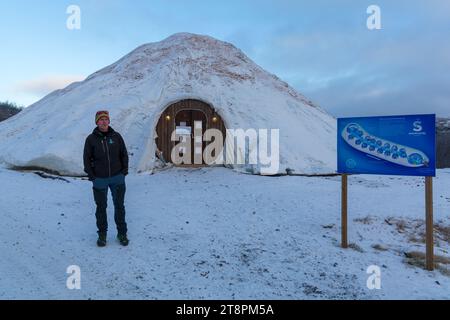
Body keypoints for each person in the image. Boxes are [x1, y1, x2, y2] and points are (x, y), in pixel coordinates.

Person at [83, 110, 129, 247]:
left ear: (109, 121)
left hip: (117, 178)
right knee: (101, 207)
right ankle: (102, 234)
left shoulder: (116, 137)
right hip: (100, 179)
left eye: (106, 119)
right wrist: (92, 176)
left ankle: (122, 233)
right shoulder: (91, 139)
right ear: (97, 122)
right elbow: (86, 158)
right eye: (100, 120)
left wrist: (124, 171)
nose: (103, 122)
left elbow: (124, 154)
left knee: (119, 206)